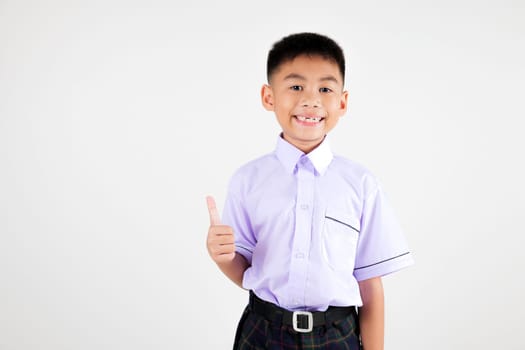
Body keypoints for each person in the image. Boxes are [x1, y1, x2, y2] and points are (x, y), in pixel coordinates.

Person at [206, 32, 414, 350]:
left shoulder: (360, 184)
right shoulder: (247, 180)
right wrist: (222, 257)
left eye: (325, 88)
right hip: (263, 332)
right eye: (296, 86)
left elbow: (370, 285)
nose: (311, 100)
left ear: (342, 102)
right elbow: (245, 269)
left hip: (337, 334)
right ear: (268, 97)